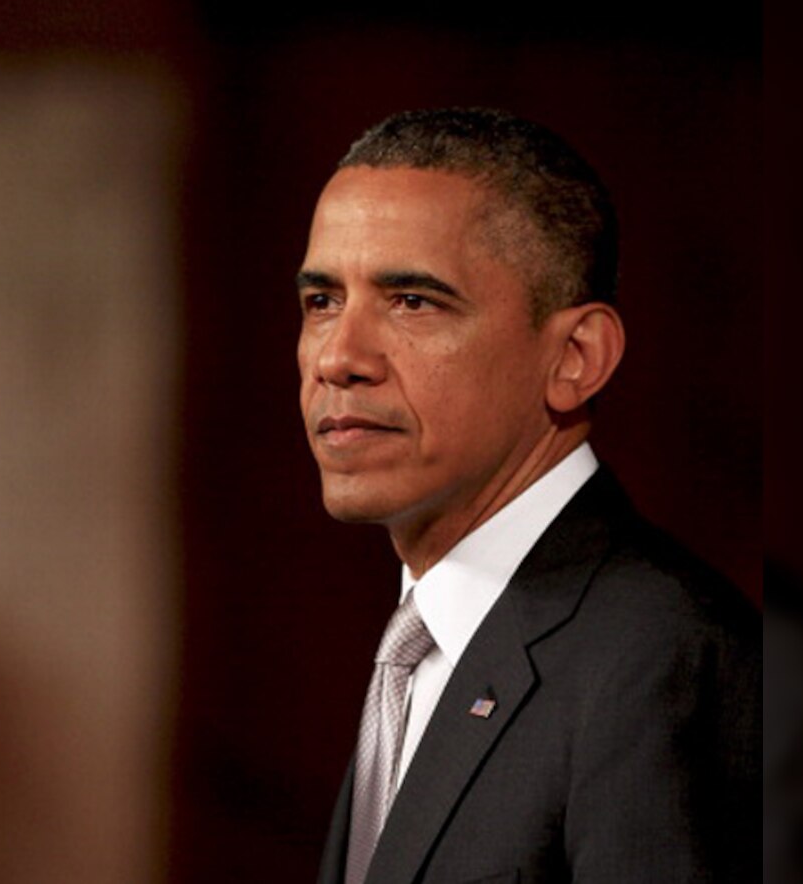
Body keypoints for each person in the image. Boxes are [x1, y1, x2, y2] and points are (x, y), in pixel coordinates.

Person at [297, 108, 760, 884]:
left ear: (576, 357)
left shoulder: (656, 659)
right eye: (322, 302)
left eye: (413, 301)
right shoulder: (421, 647)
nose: (340, 357)